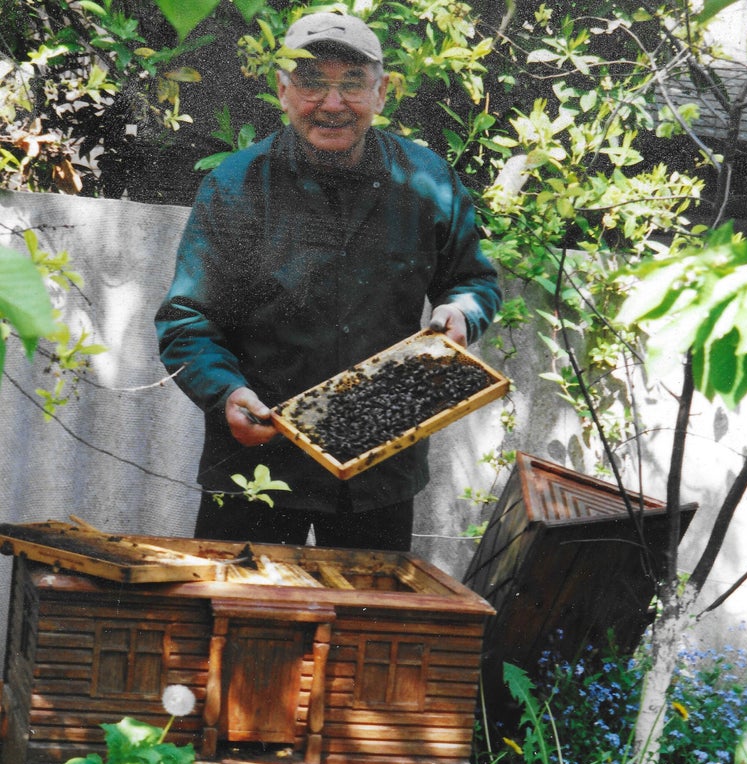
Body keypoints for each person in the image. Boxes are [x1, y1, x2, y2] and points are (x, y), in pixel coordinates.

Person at [155, 11, 501, 551]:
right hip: (257, 466)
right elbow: (188, 320)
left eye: (352, 84)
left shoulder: (428, 180)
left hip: (379, 464)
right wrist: (224, 392)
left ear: (382, 91)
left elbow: (474, 281)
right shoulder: (234, 186)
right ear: (283, 89)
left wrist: (462, 313)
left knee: (366, 627)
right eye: (313, 82)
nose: (332, 104)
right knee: (242, 627)